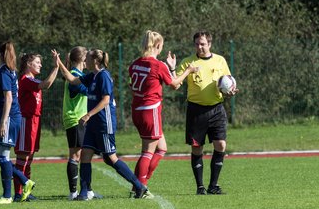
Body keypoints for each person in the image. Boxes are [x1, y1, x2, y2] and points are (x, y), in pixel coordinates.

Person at [54, 48, 150, 200]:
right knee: (85, 155)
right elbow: (72, 79)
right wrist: (59, 63)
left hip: (104, 122)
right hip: (92, 124)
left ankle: (139, 186)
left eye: (88, 58)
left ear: (96, 61)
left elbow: (106, 100)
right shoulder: (92, 75)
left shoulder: (103, 76)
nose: (85, 61)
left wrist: (88, 114)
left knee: (110, 158)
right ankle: (84, 192)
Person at [128, 30, 199, 195]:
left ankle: (141, 184)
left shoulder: (135, 63)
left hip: (137, 110)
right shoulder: (157, 65)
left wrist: (172, 68)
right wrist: (188, 71)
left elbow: (132, 85)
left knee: (162, 148)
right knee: (147, 151)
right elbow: (175, 85)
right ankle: (138, 188)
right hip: (150, 110)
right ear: (158, 46)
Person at [176, 30, 238, 195]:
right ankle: (200, 187)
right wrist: (173, 68)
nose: (200, 47)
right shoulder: (188, 62)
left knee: (221, 144)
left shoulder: (220, 60)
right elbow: (175, 82)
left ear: (209, 44)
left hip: (217, 108)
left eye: (203, 44)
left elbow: (228, 81)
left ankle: (213, 185)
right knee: (197, 148)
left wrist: (230, 91)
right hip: (196, 110)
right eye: (197, 44)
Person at [0, 40, 36, 204]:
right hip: (8, 117)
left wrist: (3, 122)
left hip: (9, 118)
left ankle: (7, 196)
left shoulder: (4, 72)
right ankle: (25, 181)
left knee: (2, 156)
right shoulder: (4, 69)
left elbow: (9, 98)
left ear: (1, 54)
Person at [12, 53, 59, 201]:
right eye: (37, 62)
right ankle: (18, 193)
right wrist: (56, 66)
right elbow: (46, 85)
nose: (40, 65)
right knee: (22, 157)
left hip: (34, 121)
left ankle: (27, 191)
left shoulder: (32, 80)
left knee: (29, 157)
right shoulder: (25, 80)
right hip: (26, 121)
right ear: (28, 64)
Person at [61, 47, 101, 201]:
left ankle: (87, 190)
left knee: (84, 155)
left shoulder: (78, 75)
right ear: (83, 60)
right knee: (75, 155)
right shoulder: (75, 76)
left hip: (81, 120)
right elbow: (87, 91)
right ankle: (73, 193)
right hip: (75, 120)